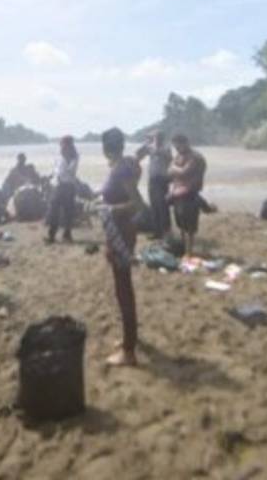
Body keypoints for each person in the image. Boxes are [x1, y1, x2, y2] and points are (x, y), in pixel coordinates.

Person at [99, 128, 144, 367]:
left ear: (106, 147)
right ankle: (130, 338)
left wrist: (111, 210)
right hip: (120, 230)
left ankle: (129, 351)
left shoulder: (121, 168)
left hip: (122, 233)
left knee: (123, 288)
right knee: (121, 288)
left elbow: (137, 204)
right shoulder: (122, 165)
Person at [167, 135, 207, 258]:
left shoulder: (195, 157)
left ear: (186, 143)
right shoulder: (179, 156)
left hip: (190, 194)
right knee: (181, 224)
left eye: (178, 146)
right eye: (175, 147)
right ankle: (185, 250)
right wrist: (175, 169)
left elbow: (184, 172)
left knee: (190, 226)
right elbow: (169, 172)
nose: (177, 149)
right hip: (178, 194)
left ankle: (189, 252)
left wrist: (174, 168)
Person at [136, 131, 173, 238]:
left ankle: (166, 231)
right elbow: (138, 154)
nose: (157, 139)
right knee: (154, 205)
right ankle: (157, 231)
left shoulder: (166, 147)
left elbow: (169, 158)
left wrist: (154, 147)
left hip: (162, 179)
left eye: (158, 137)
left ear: (162, 138)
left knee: (163, 206)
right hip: (152, 179)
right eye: (155, 137)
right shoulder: (150, 147)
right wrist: (146, 143)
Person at [46, 136, 80, 243]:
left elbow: (71, 171)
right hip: (58, 186)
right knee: (53, 210)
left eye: (63, 144)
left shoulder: (74, 157)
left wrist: (66, 158)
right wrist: (50, 176)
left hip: (68, 186)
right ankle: (52, 235)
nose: (62, 146)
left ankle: (67, 234)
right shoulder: (60, 156)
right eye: (61, 144)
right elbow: (56, 170)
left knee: (68, 212)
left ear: (69, 145)